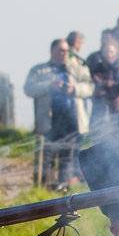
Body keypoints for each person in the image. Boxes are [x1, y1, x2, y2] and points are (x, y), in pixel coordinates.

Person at [25, 39, 79, 186]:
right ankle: (43, 189)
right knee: (46, 157)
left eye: (67, 50)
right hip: (49, 121)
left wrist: (75, 89)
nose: (65, 53)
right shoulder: (39, 70)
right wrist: (50, 86)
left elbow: (91, 86)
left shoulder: (74, 69)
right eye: (61, 50)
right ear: (52, 51)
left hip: (70, 121)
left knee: (66, 158)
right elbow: (28, 89)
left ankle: (64, 189)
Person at [64, 31, 94, 135]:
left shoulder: (76, 58)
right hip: (72, 106)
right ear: (77, 42)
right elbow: (84, 76)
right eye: (81, 42)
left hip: (77, 101)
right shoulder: (71, 58)